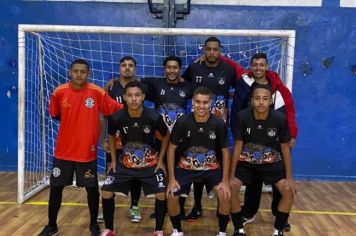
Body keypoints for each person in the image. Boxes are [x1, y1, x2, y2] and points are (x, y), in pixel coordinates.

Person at [37, 59, 124, 236]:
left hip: (87, 152)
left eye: (83, 71)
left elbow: (116, 109)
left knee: (92, 189)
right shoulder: (59, 92)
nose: (79, 74)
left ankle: (93, 225)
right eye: (75, 71)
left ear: (88, 74)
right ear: (70, 72)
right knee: (56, 188)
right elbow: (55, 114)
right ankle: (52, 226)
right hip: (63, 152)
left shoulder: (97, 93)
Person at [228, 53, 297, 231]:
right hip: (249, 149)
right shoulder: (245, 85)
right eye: (255, 65)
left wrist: (293, 134)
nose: (258, 68)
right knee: (251, 183)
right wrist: (230, 175)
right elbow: (235, 67)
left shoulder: (280, 91)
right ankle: (247, 215)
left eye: (262, 64)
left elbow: (289, 111)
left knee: (282, 188)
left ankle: (280, 219)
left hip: (271, 147)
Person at [100, 81, 170, 236]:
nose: (133, 99)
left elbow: (166, 136)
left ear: (143, 97)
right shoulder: (117, 116)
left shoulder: (153, 116)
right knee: (105, 191)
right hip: (124, 164)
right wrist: (113, 159)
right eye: (130, 95)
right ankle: (109, 229)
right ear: (124, 97)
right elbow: (111, 135)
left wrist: (161, 160)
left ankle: (158, 230)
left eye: (137, 95)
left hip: (150, 163)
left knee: (161, 193)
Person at [181, 37, 236, 221]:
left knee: (217, 164)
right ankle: (197, 207)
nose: (212, 52)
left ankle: (223, 205)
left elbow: (242, 86)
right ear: (204, 50)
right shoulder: (194, 68)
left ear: (220, 51)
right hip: (196, 126)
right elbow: (179, 83)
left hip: (218, 128)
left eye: (215, 49)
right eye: (209, 49)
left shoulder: (228, 70)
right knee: (198, 164)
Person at [166, 87, 231, 236]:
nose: (201, 106)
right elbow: (171, 150)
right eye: (198, 102)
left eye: (205, 102)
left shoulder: (219, 124)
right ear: (192, 103)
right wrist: (171, 179)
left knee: (224, 194)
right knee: (171, 194)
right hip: (185, 167)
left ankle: (222, 232)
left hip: (211, 168)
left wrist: (226, 180)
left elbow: (226, 152)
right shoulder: (182, 122)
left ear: (211, 104)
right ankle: (177, 231)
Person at [100, 56, 143, 223]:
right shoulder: (111, 88)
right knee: (111, 173)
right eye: (124, 65)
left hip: (136, 140)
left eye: (131, 65)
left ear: (135, 69)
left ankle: (134, 206)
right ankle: (107, 209)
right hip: (115, 141)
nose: (127, 68)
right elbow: (102, 116)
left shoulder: (141, 86)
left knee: (135, 176)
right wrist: (102, 139)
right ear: (119, 68)